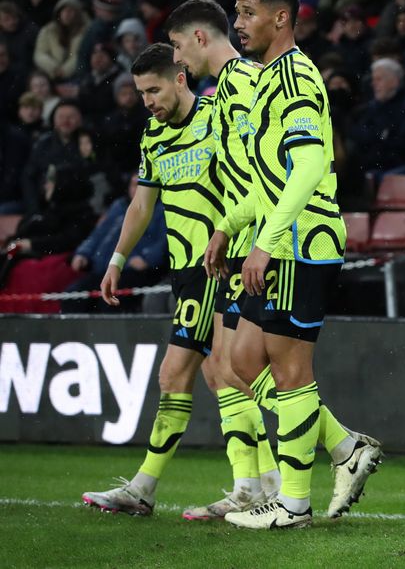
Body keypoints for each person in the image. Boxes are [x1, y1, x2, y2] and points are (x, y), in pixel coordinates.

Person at [205, 0, 382, 530]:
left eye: (248, 12)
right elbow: (265, 178)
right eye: (236, 12)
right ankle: (346, 447)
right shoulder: (263, 81)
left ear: (281, 18)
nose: (238, 23)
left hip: (302, 243)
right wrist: (229, 225)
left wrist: (267, 241)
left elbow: (308, 168)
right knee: (242, 360)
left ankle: (294, 504)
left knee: (291, 372)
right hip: (276, 238)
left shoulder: (298, 78)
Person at [81, 43, 278, 518]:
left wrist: (234, 234)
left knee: (181, 375)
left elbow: (252, 175)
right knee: (221, 375)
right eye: (141, 92)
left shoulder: (217, 118)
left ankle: (147, 488)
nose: (147, 100)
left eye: (153, 89)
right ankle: (260, 480)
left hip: (218, 261)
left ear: (180, 79)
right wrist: (116, 259)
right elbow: (141, 205)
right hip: (185, 269)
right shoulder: (153, 135)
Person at [63, 172, 166, 313]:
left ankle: (108, 335)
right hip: (104, 269)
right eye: (133, 184)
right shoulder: (119, 206)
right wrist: (83, 253)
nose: (136, 189)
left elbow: (164, 243)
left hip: (133, 272)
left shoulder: (161, 209)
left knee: (108, 301)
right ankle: (75, 336)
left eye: (140, 185)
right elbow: (98, 234)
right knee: (72, 296)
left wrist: (147, 258)